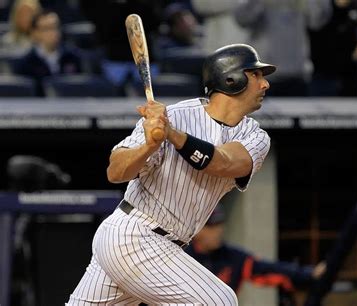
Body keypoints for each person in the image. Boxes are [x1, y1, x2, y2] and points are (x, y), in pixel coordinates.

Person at [67, 43, 275, 305]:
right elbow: (116, 171)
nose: (265, 84)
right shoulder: (175, 115)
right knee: (219, 301)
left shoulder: (255, 136)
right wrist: (148, 146)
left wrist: (173, 135)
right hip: (134, 234)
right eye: (256, 75)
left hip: (161, 246)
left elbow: (223, 163)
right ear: (231, 78)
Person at [186, 204, 326, 296]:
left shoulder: (234, 258)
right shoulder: (181, 256)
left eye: (219, 225)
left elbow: (270, 270)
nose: (218, 231)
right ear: (196, 230)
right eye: (211, 227)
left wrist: (310, 273)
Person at [12, 10, 82, 96]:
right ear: (35, 33)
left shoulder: (73, 57)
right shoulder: (26, 63)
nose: (54, 32)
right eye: (47, 28)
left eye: (56, 27)